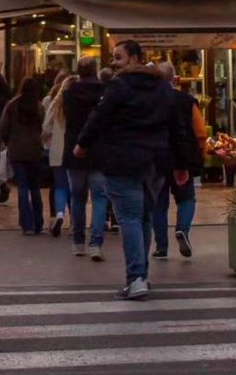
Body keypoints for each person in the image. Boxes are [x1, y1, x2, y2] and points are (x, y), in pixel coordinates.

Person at [74, 40, 190, 300]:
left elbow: (99, 117)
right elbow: (178, 129)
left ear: (136, 58)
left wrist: (82, 144)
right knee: (144, 217)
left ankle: (135, 277)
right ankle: (142, 276)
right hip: (156, 162)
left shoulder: (118, 86)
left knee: (129, 218)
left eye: (119, 57)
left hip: (123, 159)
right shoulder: (164, 88)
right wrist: (181, 164)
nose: (114, 62)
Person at [151, 61, 207, 259]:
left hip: (157, 157)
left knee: (158, 203)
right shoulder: (187, 100)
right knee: (186, 198)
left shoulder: (149, 100)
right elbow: (200, 131)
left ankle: (161, 246)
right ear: (175, 79)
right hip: (183, 156)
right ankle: (182, 228)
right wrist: (202, 152)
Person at [63, 57, 111, 258]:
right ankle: (96, 243)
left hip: (75, 148)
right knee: (99, 198)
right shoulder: (105, 92)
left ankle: (78, 242)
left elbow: (68, 118)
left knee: (77, 197)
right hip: (99, 149)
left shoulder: (68, 93)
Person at [0, 76, 45, 235]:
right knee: (35, 187)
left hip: (17, 149)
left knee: (22, 187)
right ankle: (39, 222)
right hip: (35, 149)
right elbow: (43, 127)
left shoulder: (13, 105)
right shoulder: (38, 106)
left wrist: (8, 141)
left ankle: (27, 224)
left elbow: (3, 127)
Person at [42, 73, 77, 237]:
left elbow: (46, 128)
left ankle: (60, 214)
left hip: (57, 149)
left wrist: (46, 142)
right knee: (75, 187)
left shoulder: (56, 104)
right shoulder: (81, 103)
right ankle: (76, 222)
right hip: (76, 150)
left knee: (60, 185)